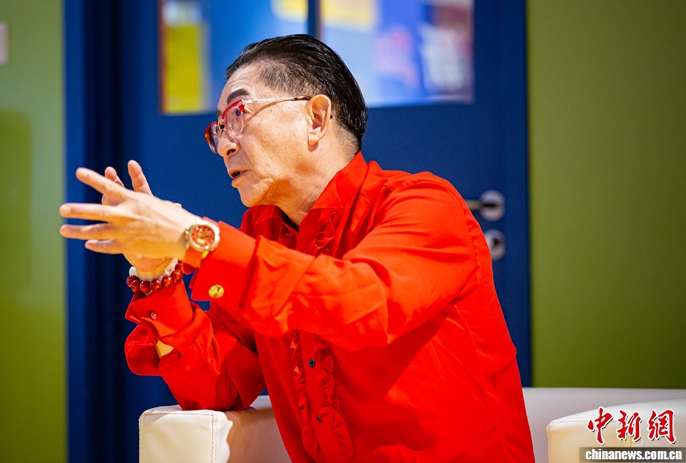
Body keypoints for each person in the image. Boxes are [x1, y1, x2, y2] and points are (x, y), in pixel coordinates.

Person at [60, 34, 534, 462]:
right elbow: (216, 385)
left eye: (238, 115)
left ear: (316, 117)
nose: (225, 145)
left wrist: (199, 238)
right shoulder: (263, 232)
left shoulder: (425, 204)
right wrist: (157, 271)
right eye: (217, 131)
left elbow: (361, 302)